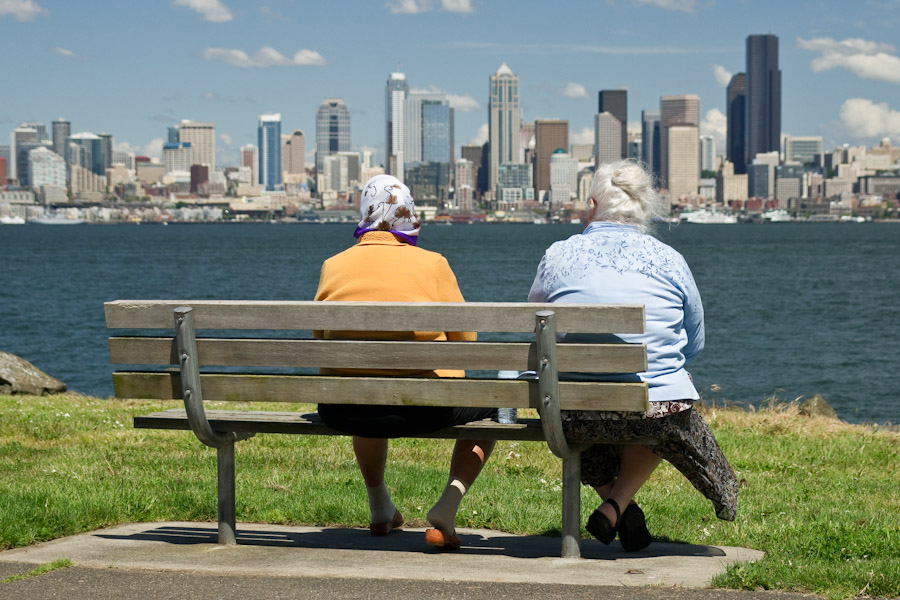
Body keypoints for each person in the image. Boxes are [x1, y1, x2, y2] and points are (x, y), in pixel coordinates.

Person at [527, 159, 738, 552]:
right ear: (644, 211)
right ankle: (616, 504)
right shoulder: (671, 260)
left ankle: (614, 503)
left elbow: (535, 325)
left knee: (597, 406)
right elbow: (693, 344)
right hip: (652, 408)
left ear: (592, 206)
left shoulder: (557, 255)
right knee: (663, 396)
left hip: (572, 412)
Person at [314, 174, 496, 550]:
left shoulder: (333, 265)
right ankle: (447, 507)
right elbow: (467, 342)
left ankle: (380, 507)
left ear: (365, 212)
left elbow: (321, 342)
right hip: (423, 409)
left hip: (345, 407)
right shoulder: (433, 264)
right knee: (494, 410)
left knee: (367, 392)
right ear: (408, 214)